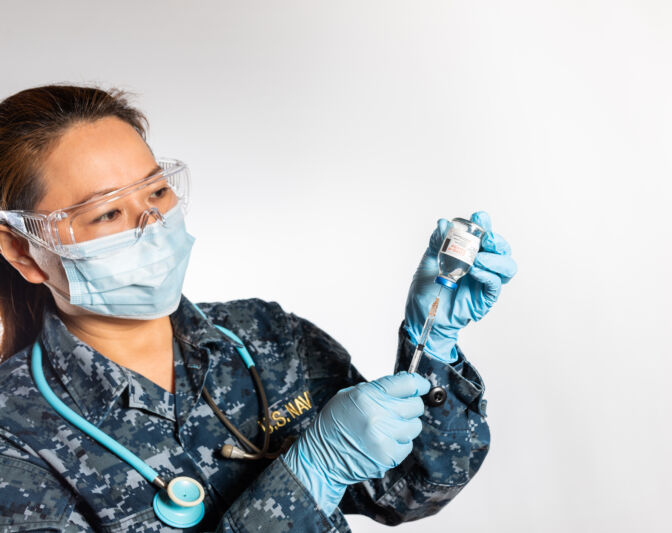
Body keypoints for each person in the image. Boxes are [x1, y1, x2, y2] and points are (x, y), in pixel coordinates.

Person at [0, 85, 517, 532]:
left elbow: (409, 488)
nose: (152, 225)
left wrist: (432, 346)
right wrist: (313, 472)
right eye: (108, 213)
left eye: (157, 191)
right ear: (23, 250)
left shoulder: (267, 336)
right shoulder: (14, 435)